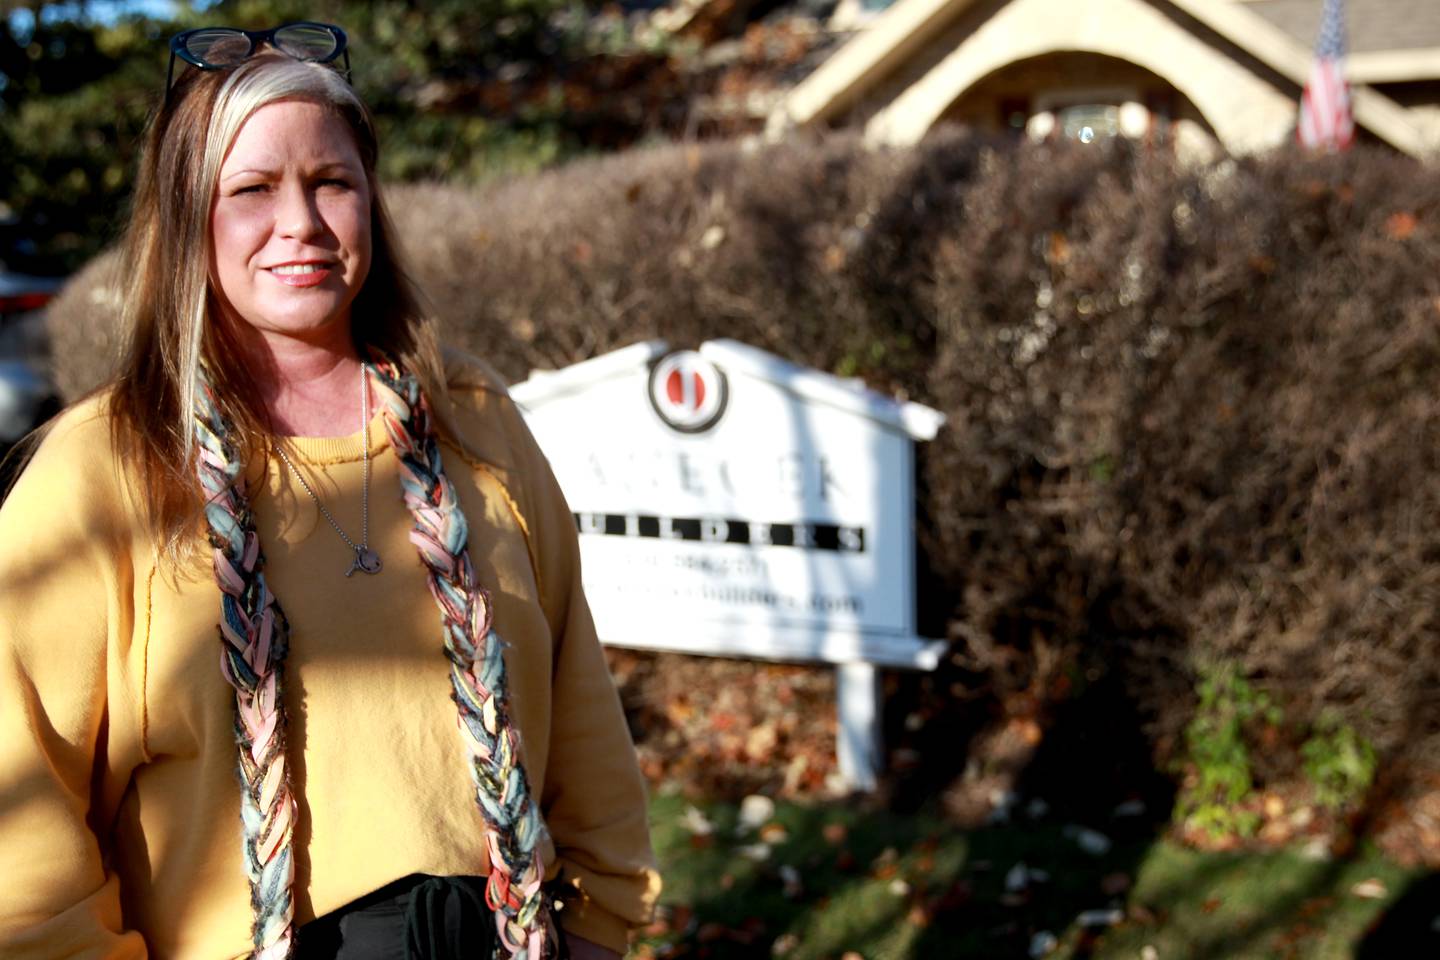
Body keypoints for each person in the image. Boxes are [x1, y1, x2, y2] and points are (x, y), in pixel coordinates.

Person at [0, 22, 659, 960]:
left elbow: (579, 701)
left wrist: (596, 928)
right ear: (188, 221)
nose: (300, 223)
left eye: (332, 182)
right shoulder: (104, 470)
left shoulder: (471, 420)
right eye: (252, 190)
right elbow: (18, 810)